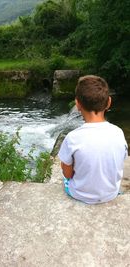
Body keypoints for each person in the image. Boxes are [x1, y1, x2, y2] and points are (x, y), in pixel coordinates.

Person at [58, 75, 128, 204]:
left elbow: (67, 174)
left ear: (77, 104)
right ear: (109, 102)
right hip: (110, 194)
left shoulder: (72, 137)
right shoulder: (118, 133)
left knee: (65, 174)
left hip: (79, 194)